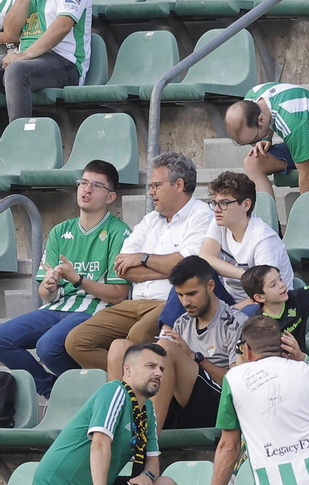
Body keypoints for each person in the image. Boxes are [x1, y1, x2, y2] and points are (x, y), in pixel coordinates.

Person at [183, 314, 309, 485]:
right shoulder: (306, 369)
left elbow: (229, 447)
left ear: (247, 349)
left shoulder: (234, 379)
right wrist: (303, 357)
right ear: (282, 343)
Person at [62, 154, 207, 371]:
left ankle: (137, 392)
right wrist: (170, 266)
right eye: (150, 186)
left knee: (136, 337)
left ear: (179, 185)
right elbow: (121, 267)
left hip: (169, 303)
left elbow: (189, 267)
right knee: (76, 341)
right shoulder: (150, 220)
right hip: (132, 303)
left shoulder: (202, 215)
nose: (151, 192)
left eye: (156, 185)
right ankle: (132, 384)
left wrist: (143, 258)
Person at [0, 160, 127, 395]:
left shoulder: (120, 232)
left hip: (96, 310)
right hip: (58, 308)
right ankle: (53, 391)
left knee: (48, 347)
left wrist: (78, 279)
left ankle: (86, 392)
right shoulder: (60, 230)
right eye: (84, 183)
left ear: (110, 197)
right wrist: (50, 286)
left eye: (97, 186)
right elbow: (45, 296)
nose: (87, 190)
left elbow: (119, 295)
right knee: (2, 338)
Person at [26, 343, 180, 485]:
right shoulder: (114, 392)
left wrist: (147, 476)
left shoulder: (148, 409)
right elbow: (99, 445)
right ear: (128, 369)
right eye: (151, 366)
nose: (158, 373)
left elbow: (152, 461)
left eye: (161, 368)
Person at [139, 255, 246, 430]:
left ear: (210, 286)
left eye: (192, 294)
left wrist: (196, 358)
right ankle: (125, 434)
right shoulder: (182, 322)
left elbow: (237, 384)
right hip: (182, 405)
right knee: (120, 348)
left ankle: (148, 445)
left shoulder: (235, 324)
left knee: (165, 347)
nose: (185, 302)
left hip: (217, 405)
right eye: (180, 295)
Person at [0, 0, 89, 118]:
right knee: (16, 68)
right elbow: (11, 33)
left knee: (16, 71)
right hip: (30, 59)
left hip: (64, 63)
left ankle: (21, 143)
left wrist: (24, 55)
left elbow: (62, 26)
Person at [225, 82, 309, 194]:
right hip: (308, 141)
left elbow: (306, 173)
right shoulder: (252, 100)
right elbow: (268, 114)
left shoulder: (291, 119)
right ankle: (269, 223)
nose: (255, 144)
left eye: (255, 139)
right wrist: (266, 139)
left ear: (261, 120)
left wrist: (302, 212)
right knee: (252, 162)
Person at [195, 170, 292, 305]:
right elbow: (205, 257)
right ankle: (167, 326)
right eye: (214, 203)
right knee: (192, 272)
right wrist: (243, 275)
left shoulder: (263, 238)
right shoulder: (220, 222)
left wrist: (233, 311)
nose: (216, 209)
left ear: (246, 205)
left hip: (265, 305)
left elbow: (267, 290)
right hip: (232, 300)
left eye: (224, 203)